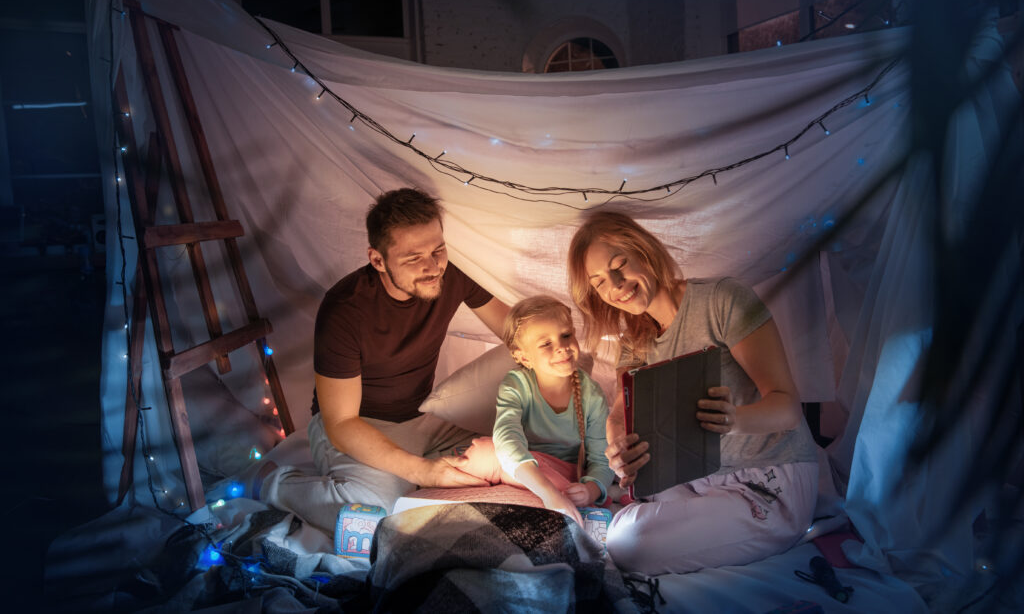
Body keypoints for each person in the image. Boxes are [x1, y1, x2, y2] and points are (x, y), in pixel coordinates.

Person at [567, 210, 819, 575]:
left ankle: (775, 526)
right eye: (600, 282)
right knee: (625, 520)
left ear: (645, 250)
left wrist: (734, 420)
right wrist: (618, 451)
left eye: (620, 264)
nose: (617, 283)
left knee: (627, 543)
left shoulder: (722, 300)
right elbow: (621, 415)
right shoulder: (633, 341)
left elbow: (788, 407)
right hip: (694, 478)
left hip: (768, 480)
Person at [256, 188, 509, 533]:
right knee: (378, 515)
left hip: (423, 419)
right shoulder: (345, 309)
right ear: (378, 260)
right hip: (358, 427)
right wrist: (421, 471)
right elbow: (342, 423)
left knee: (507, 460)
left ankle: (412, 477)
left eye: (438, 250)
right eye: (413, 258)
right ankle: (275, 483)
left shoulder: (452, 275)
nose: (433, 267)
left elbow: (517, 330)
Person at [450, 296, 615, 526]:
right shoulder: (516, 385)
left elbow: (601, 457)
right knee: (483, 452)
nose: (561, 347)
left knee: (491, 458)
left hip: (560, 474)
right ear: (523, 357)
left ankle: (557, 495)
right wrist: (545, 491)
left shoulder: (592, 394)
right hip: (524, 466)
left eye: (566, 335)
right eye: (546, 344)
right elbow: (507, 436)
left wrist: (591, 489)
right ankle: (536, 488)